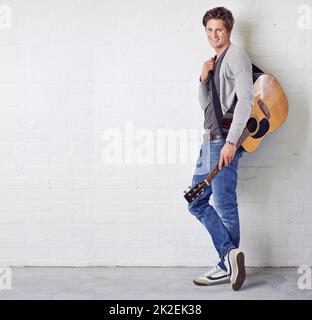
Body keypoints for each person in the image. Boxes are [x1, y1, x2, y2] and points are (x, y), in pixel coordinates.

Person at [188, 7, 253, 291]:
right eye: (209, 30)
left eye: (219, 30)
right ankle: (229, 256)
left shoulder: (237, 57)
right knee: (196, 200)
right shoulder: (215, 61)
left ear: (228, 31)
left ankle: (226, 264)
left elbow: (246, 101)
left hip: (223, 140)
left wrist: (230, 142)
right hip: (210, 139)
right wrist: (203, 78)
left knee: (224, 205)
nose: (214, 35)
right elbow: (206, 106)